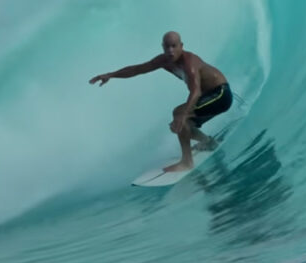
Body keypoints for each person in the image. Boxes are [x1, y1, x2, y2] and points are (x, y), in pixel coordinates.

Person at [90, 31, 233, 172]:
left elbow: (195, 91)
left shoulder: (189, 63)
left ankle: (187, 162)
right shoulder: (163, 61)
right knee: (183, 125)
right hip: (208, 96)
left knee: (179, 114)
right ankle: (208, 142)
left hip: (220, 94)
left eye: (174, 46)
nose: (170, 51)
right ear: (162, 47)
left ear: (181, 46)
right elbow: (137, 69)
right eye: (167, 47)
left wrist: (183, 115)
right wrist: (111, 75)